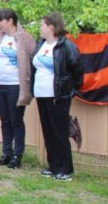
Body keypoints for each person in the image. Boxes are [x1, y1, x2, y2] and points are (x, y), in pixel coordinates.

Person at [30, 12, 83, 182]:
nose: (40, 28)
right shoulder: (41, 44)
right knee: (48, 131)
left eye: (42, 25)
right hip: (41, 94)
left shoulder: (66, 46)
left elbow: (78, 71)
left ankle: (65, 169)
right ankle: (53, 166)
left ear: (51, 27)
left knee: (59, 132)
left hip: (58, 96)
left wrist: (70, 90)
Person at [0, 9, 36, 169]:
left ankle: (17, 155)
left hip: (16, 85)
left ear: (11, 21)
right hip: (0, 84)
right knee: (5, 120)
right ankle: (6, 153)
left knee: (16, 121)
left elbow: (33, 57)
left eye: (1, 20)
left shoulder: (24, 37)